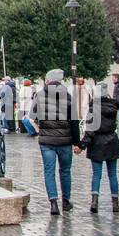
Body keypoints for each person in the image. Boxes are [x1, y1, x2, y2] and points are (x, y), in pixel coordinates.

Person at [28, 68, 80, 215]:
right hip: (65, 141)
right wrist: (77, 143)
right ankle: (66, 201)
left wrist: (40, 130)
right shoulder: (68, 96)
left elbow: (32, 117)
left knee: (49, 171)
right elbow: (74, 122)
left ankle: (53, 203)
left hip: (47, 141)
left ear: (48, 80)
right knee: (65, 171)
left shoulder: (39, 95)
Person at [82, 84, 119, 213]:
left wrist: (83, 144)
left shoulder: (94, 108)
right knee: (112, 175)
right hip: (112, 141)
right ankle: (115, 203)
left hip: (97, 142)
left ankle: (94, 201)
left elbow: (90, 129)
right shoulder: (114, 107)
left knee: (96, 175)